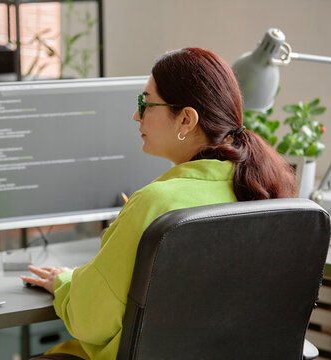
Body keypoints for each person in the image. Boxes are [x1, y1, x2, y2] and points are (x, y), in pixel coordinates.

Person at [20, 47, 297, 360]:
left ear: (186, 119)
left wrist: (64, 281)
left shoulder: (154, 204)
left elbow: (90, 323)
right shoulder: (266, 191)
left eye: (146, 103)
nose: (136, 115)